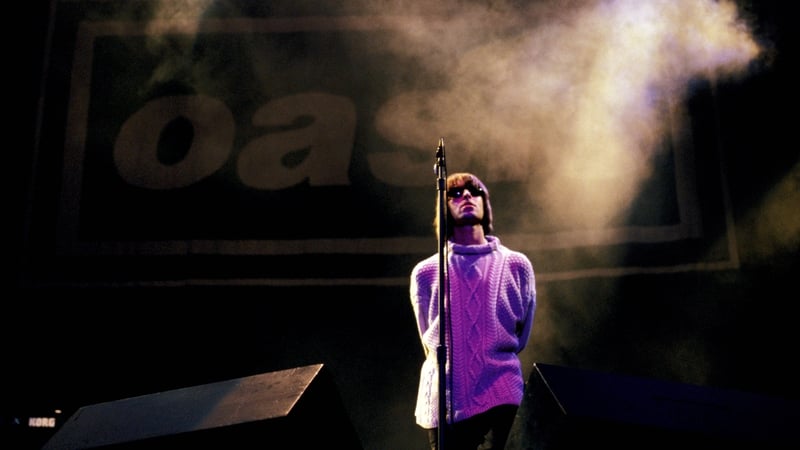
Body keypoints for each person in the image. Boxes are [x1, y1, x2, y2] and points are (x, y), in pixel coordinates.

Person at [410, 172, 537, 450]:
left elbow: (521, 335)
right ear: (444, 207)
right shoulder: (426, 272)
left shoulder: (517, 265)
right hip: (446, 399)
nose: (466, 196)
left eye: (474, 191)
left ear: (484, 202)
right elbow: (428, 338)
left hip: (502, 392)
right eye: (455, 193)